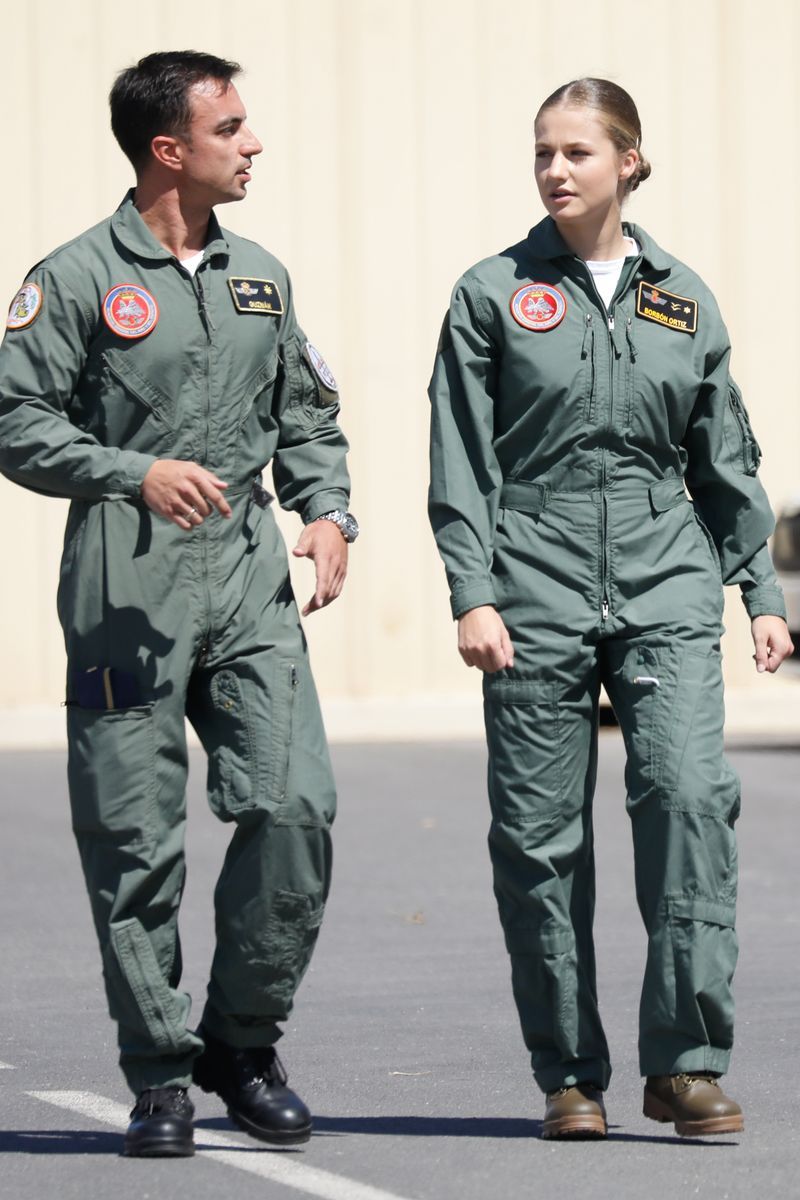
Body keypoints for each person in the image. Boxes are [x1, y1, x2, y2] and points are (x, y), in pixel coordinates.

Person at [0, 50, 359, 1157]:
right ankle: (160, 1073)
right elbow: (14, 420)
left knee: (294, 804)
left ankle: (239, 1044)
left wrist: (328, 511)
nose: (253, 144)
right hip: (126, 574)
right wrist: (126, 471)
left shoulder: (262, 275)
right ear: (170, 149)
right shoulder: (68, 278)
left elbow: (306, 411)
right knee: (134, 837)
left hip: (247, 573)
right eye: (233, 128)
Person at [428, 77, 793, 1140]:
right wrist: (472, 591)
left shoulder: (681, 296)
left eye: (576, 152)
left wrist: (756, 593)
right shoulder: (489, 292)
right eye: (542, 151)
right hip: (530, 575)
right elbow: (459, 455)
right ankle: (567, 1074)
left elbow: (721, 455)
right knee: (539, 842)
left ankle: (682, 1064)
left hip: (662, 570)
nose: (553, 170)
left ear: (628, 163)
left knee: (686, 799)